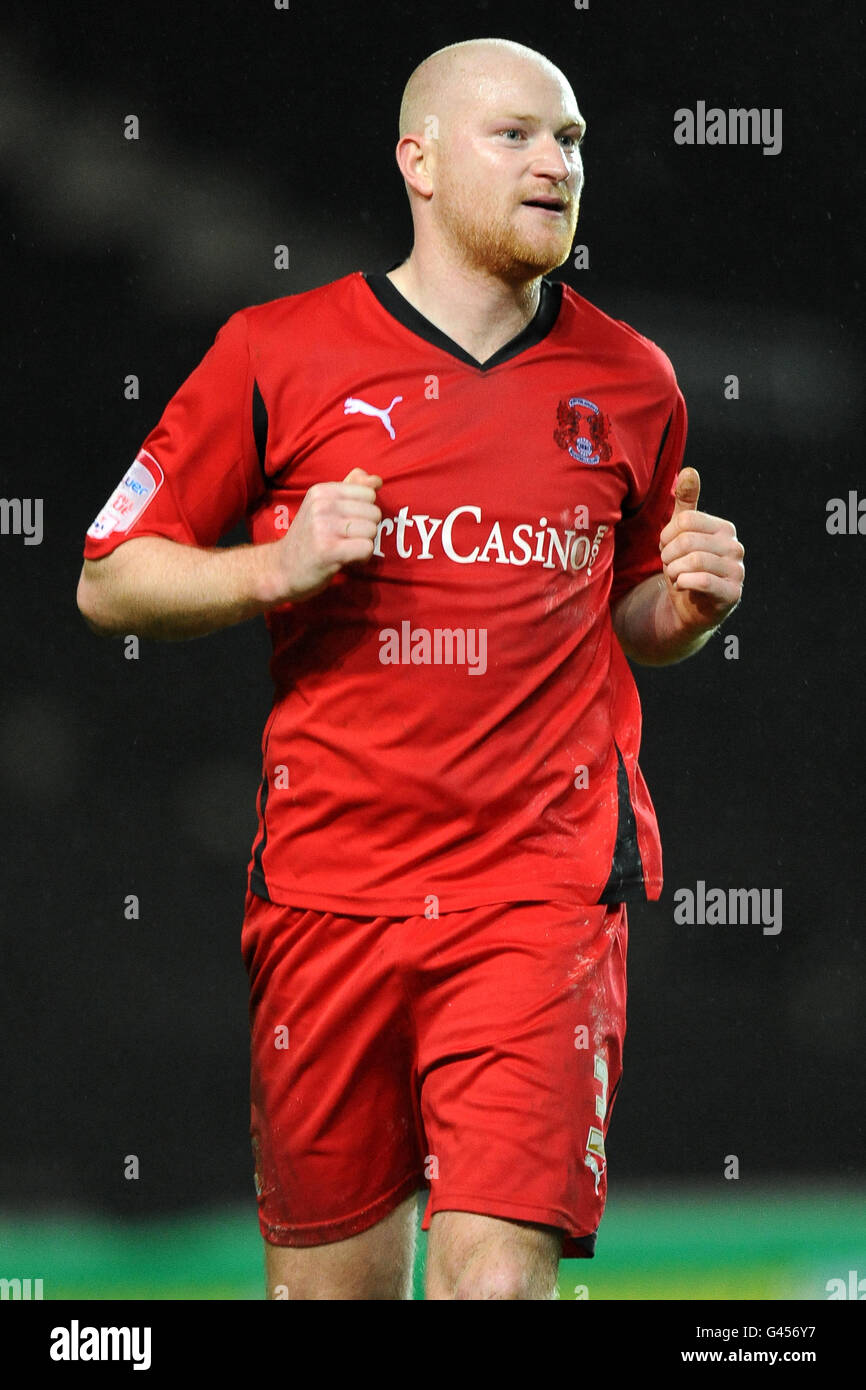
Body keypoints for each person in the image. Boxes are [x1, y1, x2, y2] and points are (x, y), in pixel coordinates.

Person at [76, 37, 745, 1300]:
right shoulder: (277, 353)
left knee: (492, 1285)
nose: (555, 164)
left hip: (535, 897)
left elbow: (633, 612)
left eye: (573, 141)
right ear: (418, 160)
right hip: (329, 893)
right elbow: (110, 573)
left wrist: (689, 603)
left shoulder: (634, 380)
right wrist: (271, 569)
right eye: (518, 136)